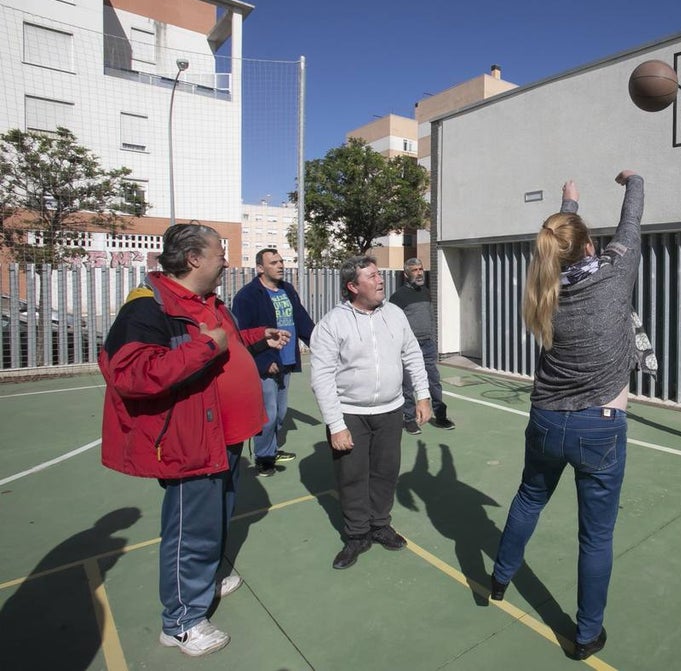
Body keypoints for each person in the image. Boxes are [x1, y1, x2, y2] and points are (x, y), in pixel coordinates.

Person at [99, 223, 289, 658]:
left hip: (225, 435)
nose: (226, 259)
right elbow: (130, 374)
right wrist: (207, 348)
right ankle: (182, 621)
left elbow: (228, 342)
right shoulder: (148, 307)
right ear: (193, 259)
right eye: (219, 252)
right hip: (192, 442)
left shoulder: (207, 301)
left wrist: (258, 338)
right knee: (191, 531)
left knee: (218, 518)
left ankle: (205, 580)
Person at [491, 170, 645, 661]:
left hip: (545, 419)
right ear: (586, 250)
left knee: (528, 499)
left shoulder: (545, 289)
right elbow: (631, 222)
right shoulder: (615, 275)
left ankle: (499, 580)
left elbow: (566, 242)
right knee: (595, 537)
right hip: (598, 427)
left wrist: (568, 202)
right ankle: (586, 635)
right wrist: (633, 179)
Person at [310, 255, 433, 570]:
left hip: (391, 411)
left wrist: (422, 395)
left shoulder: (394, 314)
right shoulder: (332, 323)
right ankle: (356, 534)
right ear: (353, 286)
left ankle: (380, 525)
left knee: (386, 471)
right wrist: (336, 425)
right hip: (350, 413)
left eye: (379, 275)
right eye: (372, 276)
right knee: (352, 476)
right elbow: (321, 378)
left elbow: (412, 354)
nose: (381, 281)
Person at [231, 248, 316, 477]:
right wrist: (263, 361)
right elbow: (242, 335)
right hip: (265, 364)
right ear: (260, 268)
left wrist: (319, 342)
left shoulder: (287, 290)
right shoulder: (247, 296)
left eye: (281, 261)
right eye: (273, 262)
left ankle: (272, 449)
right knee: (267, 414)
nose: (280, 265)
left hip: (286, 361)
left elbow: (301, 320)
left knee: (280, 412)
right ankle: (264, 458)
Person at [389, 257, 454, 435]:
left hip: (427, 344)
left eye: (420, 269)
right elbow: (394, 324)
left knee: (433, 380)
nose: (419, 273)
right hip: (409, 347)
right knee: (408, 384)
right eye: (415, 270)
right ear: (406, 274)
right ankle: (410, 420)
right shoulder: (398, 297)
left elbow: (429, 318)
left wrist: (432, 339)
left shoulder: (426, 292)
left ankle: (440, 416)